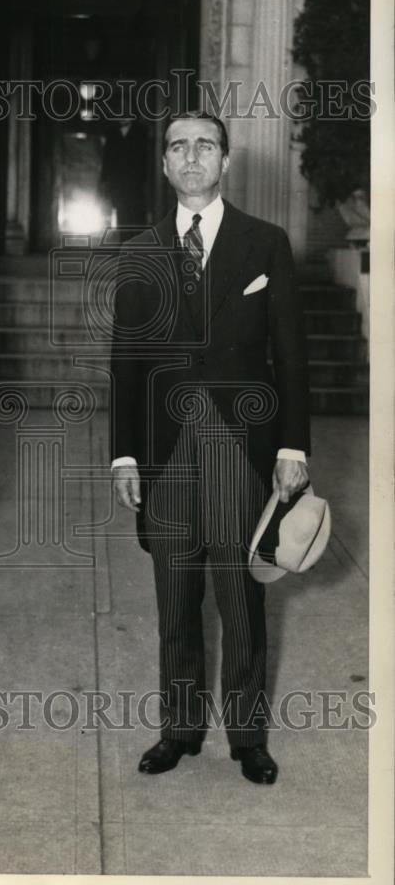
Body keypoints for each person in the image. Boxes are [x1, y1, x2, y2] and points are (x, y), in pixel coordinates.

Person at [110, 111, 310, 785]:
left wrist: (293, 447)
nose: (191, 157)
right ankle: (179, 729)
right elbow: (126, 362)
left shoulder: (265, 244)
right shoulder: (139, 252)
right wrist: (124, 455)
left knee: (240, 595)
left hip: (239, 445)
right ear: (164, 164)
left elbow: (291, 355)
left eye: (205, 146)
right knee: (174, 597)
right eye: (178, 147)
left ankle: (247, 737)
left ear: (226, 160)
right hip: (167, 449)